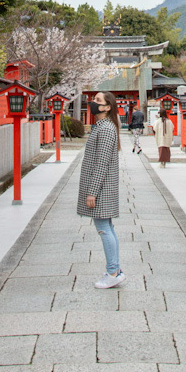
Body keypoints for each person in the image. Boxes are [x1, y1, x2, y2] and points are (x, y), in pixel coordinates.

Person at [80, 92, 124, 288]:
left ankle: (113, 272)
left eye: (98, 101)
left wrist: (92, 192)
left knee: (104, 229)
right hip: (104, 187)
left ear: (107, 107)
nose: (93, 103)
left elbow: (102, 163)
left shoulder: (106, 129)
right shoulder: (103, 127)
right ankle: (115, 269)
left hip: (102, 188)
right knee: (107, 227)